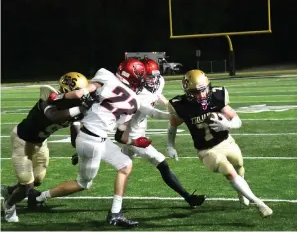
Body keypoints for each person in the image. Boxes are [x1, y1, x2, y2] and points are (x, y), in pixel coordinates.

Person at [27, 59, 168, 228]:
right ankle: (38, 197)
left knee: (125, 164)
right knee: (83, 183)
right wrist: (136, 139)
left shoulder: (106, 75)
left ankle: (115, 213)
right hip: (93, 141)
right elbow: (121, 135)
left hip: (93, 137)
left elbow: (80, 93)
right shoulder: (134, 101)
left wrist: (58, 96)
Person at [166, 69, 273, 217]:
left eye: (204, 90)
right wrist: (170, 145)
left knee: (239, 166)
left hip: (226, 141)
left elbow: (237, 120)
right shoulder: (181, 105)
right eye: (196, 92)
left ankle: (241, 193)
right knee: (228, 171)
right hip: (206, 150)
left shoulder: (216, 97)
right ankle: (259, 203)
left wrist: (227, 125)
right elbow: (173, 126)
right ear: (187, 92)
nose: (202, 95)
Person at [1, 72, 94, 223]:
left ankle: (8, 191)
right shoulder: (49, 98)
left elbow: (74, 137)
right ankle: (9, 205)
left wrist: (79, 148)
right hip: (22, 141)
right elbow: (54, 116)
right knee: (27, 184)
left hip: (40, 143)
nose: (82, 97)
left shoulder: (75, 107)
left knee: (37, 180)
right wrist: (79, 110)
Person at [119, 58, 206, 207]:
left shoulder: (159, 82)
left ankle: (90, 151)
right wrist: (171, 115)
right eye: (148, 76)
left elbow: (158, 96)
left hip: (139, 127)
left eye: (155, 76)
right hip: (133, 135)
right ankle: (188, 197)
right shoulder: (135, 93)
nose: (153, 80)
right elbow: (151, 112)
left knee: (121, 163)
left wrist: (171, 107)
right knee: (162, 164)